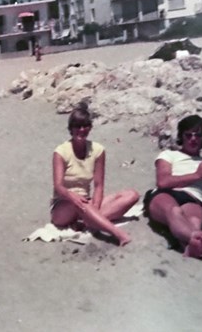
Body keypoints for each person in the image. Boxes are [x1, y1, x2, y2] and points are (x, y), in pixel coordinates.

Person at [51, 103, 140, 246]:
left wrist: (96, 208)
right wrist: (73, 196)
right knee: (79, 203)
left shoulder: (98, 150)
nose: (81, 130)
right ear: (71, 129)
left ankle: (89, 221)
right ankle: (118, 234)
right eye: (77, 126)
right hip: (63, 205)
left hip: (87, 201)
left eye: (85, 126)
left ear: (90, 128)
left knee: (132, 195)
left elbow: (98, 185)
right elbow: (58, 186)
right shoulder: (61, 152)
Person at [144, 115, 202, 259]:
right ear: (182, 137)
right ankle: (196, 237)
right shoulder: (168, 155)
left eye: (198, 135)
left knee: (195, 221)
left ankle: (192, 245)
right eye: (188, 135)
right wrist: (197, 175)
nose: (193, 139)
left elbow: (199, 188)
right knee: (174, 211)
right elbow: (163, 182)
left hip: (193, 198)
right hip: (166, 193)